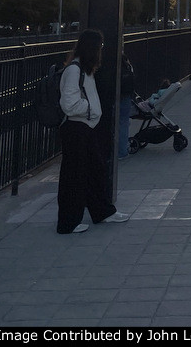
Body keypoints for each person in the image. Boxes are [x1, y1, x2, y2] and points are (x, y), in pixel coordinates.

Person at [56, 29, 130, 234]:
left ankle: (102, 211)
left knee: (94, 171)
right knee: (74, 176)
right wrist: (90, 110)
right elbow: (68, 103)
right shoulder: (75, 70)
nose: (102, 50)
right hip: (76, 127)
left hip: (85, 127)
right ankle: (68, 222)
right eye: (100, 46)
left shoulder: (83, 69)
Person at [118, 53, 135, 160]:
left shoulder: (112, 64)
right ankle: (123, 151)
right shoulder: (128, 65)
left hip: (116, 97)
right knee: (123, 123)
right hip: (127, 96)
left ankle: (118, 150)